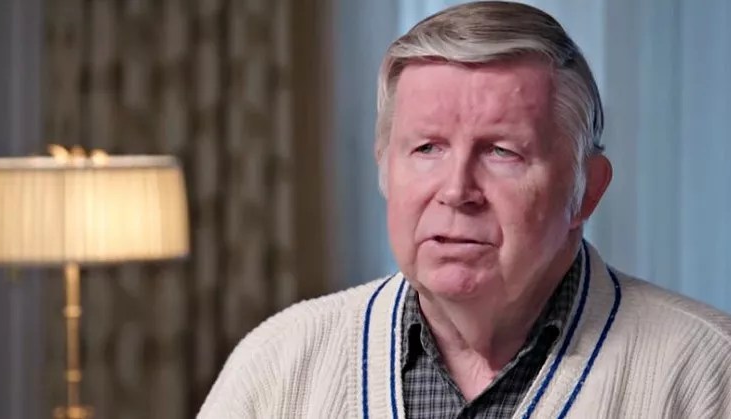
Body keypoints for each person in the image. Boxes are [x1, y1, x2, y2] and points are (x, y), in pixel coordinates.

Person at [199, 2, 731, 418]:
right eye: (426, 148)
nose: (456, 191)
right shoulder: (280, 362)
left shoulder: (707, 372)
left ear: (586, 191)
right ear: (385, 171)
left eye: (501, 151)